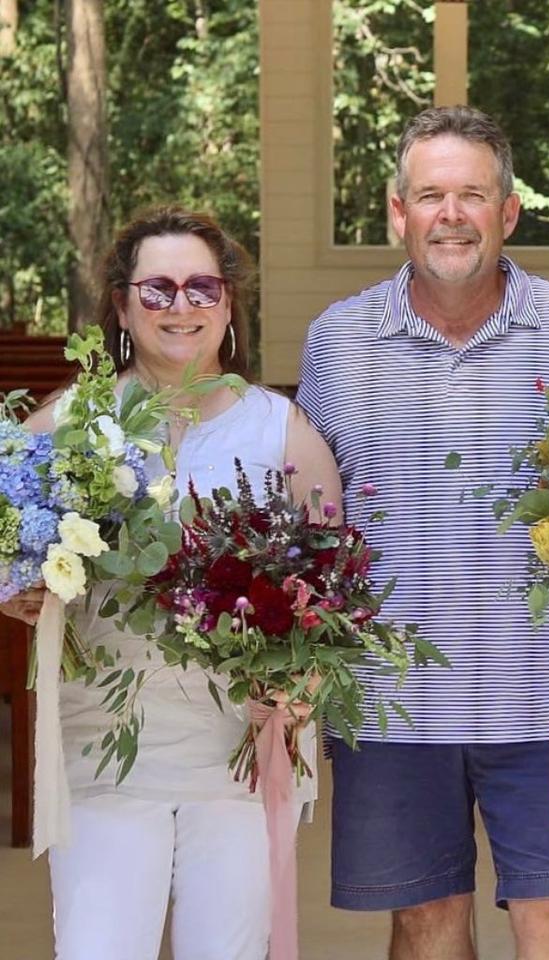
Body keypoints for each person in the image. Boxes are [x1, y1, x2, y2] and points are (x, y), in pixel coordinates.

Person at [296, 105, 549, 960]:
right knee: (427, 929)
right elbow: (307, 521)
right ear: (398, 211)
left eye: (473, 195)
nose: (451, 214)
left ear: (508, 212)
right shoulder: (336, 340)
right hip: (393, 698)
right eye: (430, 194)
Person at [2, 206, 342, 960]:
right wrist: (19, 588)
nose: (180, 305)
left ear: (227, 303)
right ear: (121, 305)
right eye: (156, 289)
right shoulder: (71, 422)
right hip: (106, 750)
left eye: (200, 287)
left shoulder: (283, 430)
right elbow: (7, 547)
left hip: (242, 753)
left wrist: (298, 688)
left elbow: (331, 595)